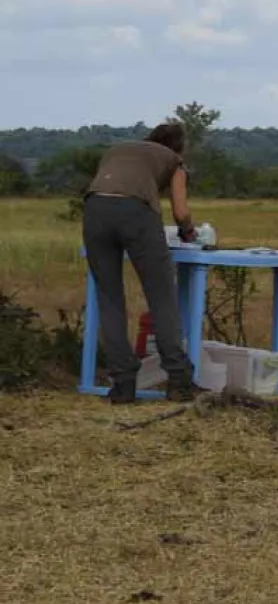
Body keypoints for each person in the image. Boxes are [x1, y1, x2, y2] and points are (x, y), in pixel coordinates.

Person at [82, 122, 198, 405]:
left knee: (109, 298)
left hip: (94, 210)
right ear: (178, 146)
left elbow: (106, 186)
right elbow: (180, 210)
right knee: (160, 296)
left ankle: (122, 385)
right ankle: (179, 381)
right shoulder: (173, 160)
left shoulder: (118, 149)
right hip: (135, 213)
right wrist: (188, 231)